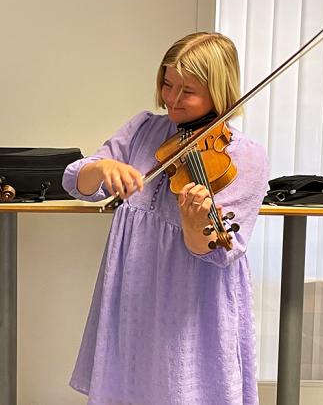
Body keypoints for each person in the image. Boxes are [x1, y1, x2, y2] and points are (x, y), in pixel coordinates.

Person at [63, 32, 269, 405]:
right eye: (167, 83)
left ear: (219, 92)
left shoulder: (245, 156)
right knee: (130, 383)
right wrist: (104, 167)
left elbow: (219, 251)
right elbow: (76, 180)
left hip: (193, 297)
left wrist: (194, 224)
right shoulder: (143, 128)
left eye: (187, 91)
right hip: (135, 285)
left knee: (182, 386)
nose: (171, 100)